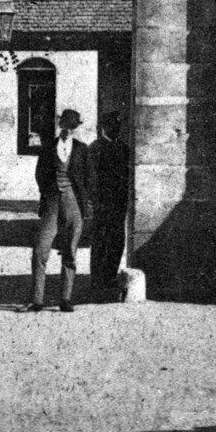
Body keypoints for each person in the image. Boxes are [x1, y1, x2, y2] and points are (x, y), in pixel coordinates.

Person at [28, 107, 93, 313]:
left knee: (70, 251)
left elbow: (90, 179)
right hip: (52, 203)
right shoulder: (48, 148)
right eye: (65, 126)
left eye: (72, 128)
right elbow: (40, 174)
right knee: (40, 249)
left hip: (73, 204)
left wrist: (85, 205)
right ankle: (37, 300)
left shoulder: (82, 150)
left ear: (75, 129)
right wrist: (48, 192)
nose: (67, 131)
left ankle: (65, 298)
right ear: (60, 125)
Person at [89, 110, 131, 297]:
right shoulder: (95, 148)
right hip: (102, 203)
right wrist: (95, 200)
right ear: (104, 127)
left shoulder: (124, 148)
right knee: (100, 240)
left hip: (119, 203)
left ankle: (110, 275)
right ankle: (97, 279)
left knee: (117, 239)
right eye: (112, 126)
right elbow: (91, 178)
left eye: (118, 127)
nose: (116, 129)